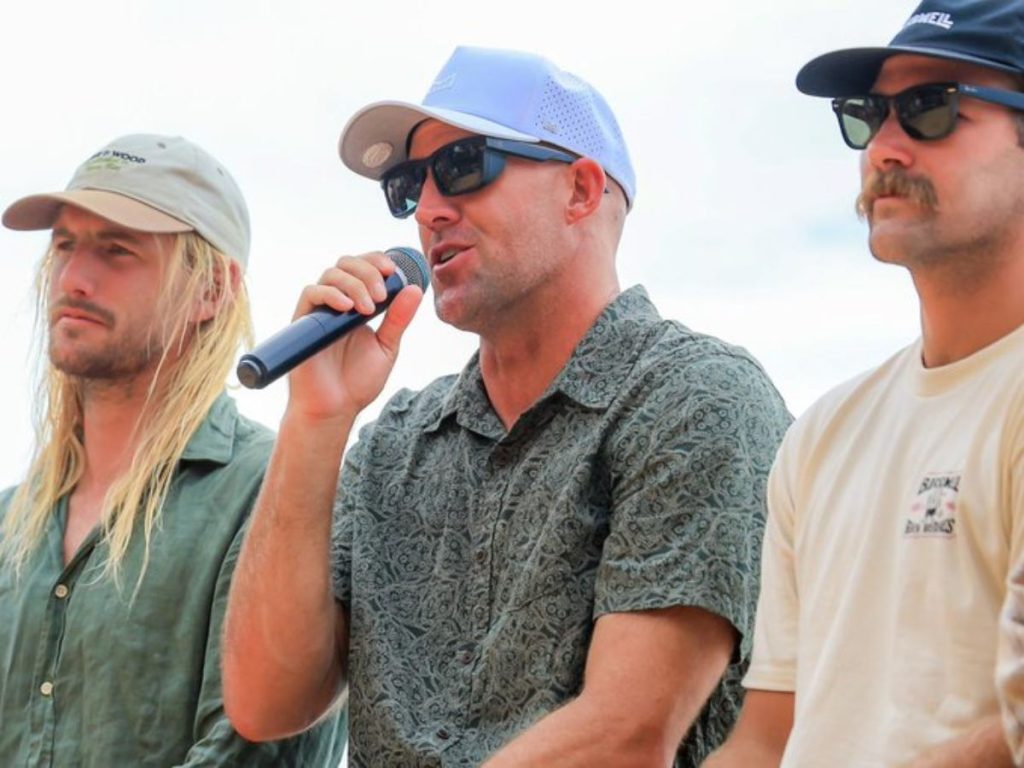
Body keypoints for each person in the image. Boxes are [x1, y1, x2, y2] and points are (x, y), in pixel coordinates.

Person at [223, 46, 791, 767]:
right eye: (408, 184)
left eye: (464, 164)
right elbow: (265, 703)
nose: (429, 209)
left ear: (581, 190)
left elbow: (627, 733)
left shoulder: (696, 397)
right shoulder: (395, 442)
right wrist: (315, 422)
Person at [705, 1, 1024, 766]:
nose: (884, 146)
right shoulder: (824, 434)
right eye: (868, 114)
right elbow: (768, 736)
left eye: (931, 108)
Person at [0, 134, 347, 766]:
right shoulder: (9, 522)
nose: (73, 279)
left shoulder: (276, 495)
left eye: (117, 250)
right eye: (65, 245)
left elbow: (253, 753)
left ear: (211, 289)